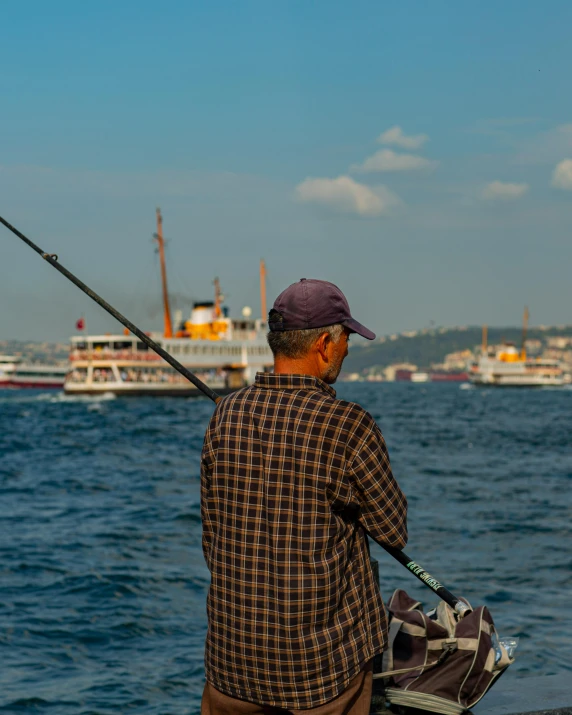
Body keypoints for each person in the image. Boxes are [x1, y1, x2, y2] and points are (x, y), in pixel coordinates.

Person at [201, 278, 408, 715]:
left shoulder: (225, 416)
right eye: (346, 337)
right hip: (321, 674)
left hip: (232, 664)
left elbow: (211, 539)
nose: (348, 348)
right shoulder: (350, 426)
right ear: (322, 345)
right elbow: (393, 530)